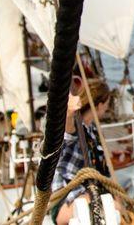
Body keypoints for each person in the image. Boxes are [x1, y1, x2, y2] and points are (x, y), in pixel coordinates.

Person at [52, 79, 113, 225]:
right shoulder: (77, 128)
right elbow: (67, 134)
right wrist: (68, 114)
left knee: (117, 206)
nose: (106, 109)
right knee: (111, 208)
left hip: (89, 194)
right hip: (66, 201)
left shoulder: (92, 131)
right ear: (99, 105)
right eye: (106, 105)